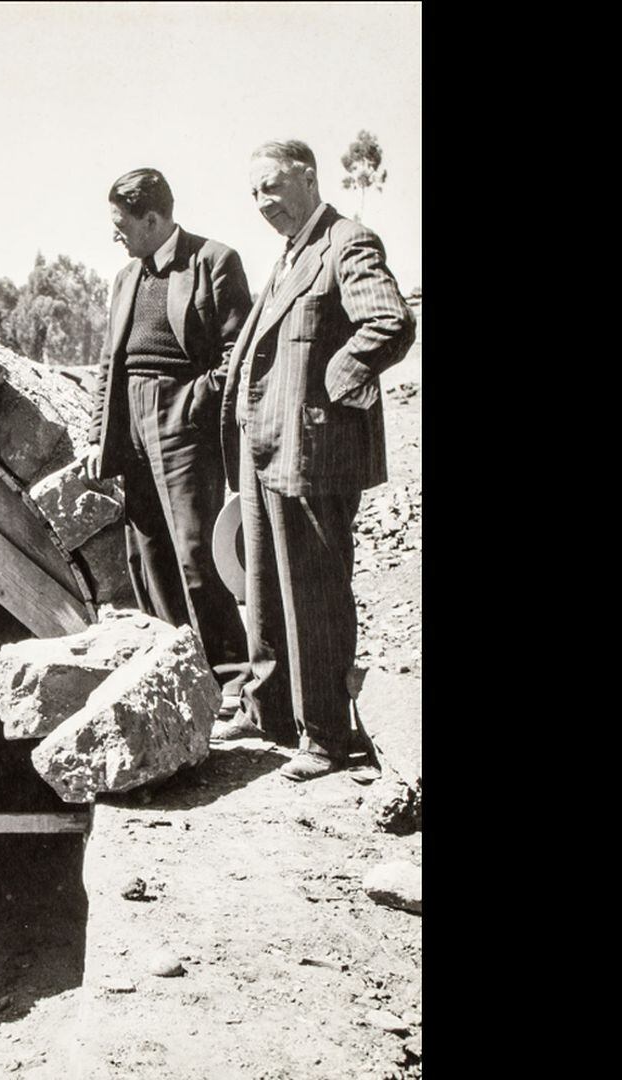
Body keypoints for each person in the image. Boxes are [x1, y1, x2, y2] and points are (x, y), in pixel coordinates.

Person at [219, 140, 416, 781]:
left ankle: (327, 738)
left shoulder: (348, 241)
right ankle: (271, 709)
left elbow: (388, 323)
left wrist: (334, 382)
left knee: (315, 591)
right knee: (267, 586)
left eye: (271, 187)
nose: (261, 203)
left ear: (307, 177)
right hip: (265, 444)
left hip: (311, 447)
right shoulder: (289, 255)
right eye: (253, 193)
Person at [79, 167, 252, 703]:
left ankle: (233, 680)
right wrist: (97, 435)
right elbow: (111, 363)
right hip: (130, 426)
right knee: (148, 555)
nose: (116, 236)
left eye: (121, 224)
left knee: (197, 555)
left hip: (182, 425)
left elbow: (237, 358)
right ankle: (181, 679)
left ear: (151, 219)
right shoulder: (124, 278)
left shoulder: (214, 261)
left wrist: (188, 405)